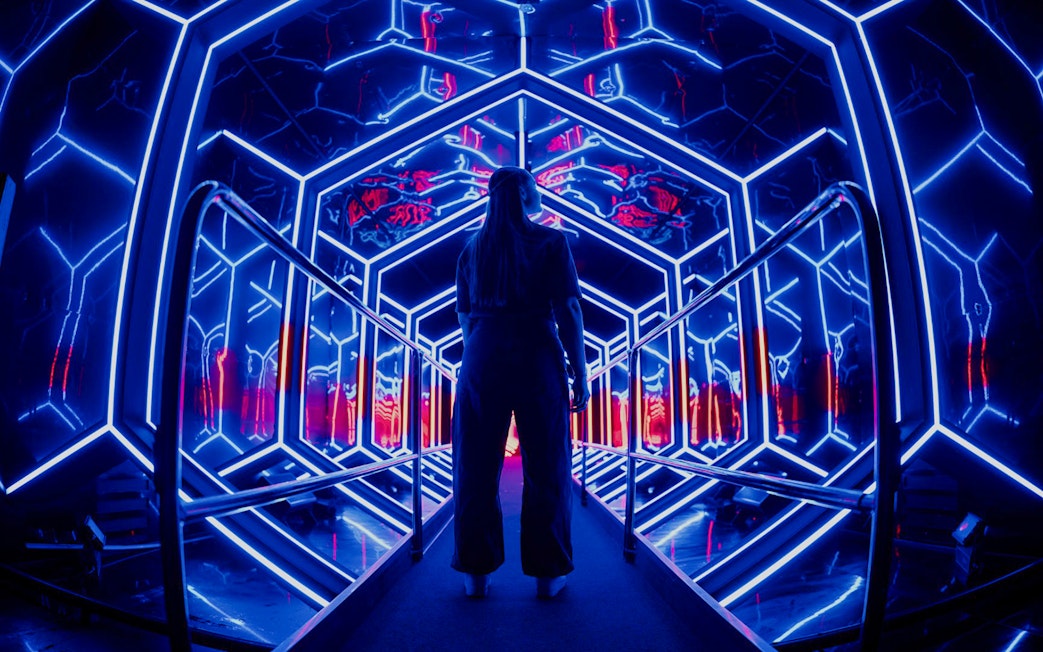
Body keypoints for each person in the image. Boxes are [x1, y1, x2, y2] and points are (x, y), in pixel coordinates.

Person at [451, 166, 589, 599]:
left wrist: (480, 362)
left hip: (483, 353)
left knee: (475, 465)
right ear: (527, 193)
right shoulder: (552, 241)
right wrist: (579, 371)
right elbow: (569, 310)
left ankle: (476, 573)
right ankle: (548, 575)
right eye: (536, 186)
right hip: (535, 351)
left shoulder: (472, 249)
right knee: (547, 464)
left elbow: (465, 319)